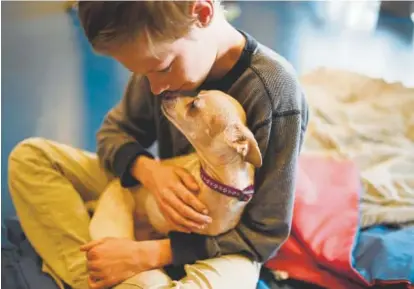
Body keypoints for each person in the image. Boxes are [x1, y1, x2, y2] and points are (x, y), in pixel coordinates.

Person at [8, 1, 309, 289]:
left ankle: (109, 273)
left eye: (162, 68)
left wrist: (152, 254)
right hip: (152, 198)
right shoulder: (158, 64)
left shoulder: (274, 92)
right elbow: (113, 135)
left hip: (223, 242)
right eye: (142, 73)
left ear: (202, 13)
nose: (154, 88)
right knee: (30, 158)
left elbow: (264, 234)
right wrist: (149, 171)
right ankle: (104, 270)